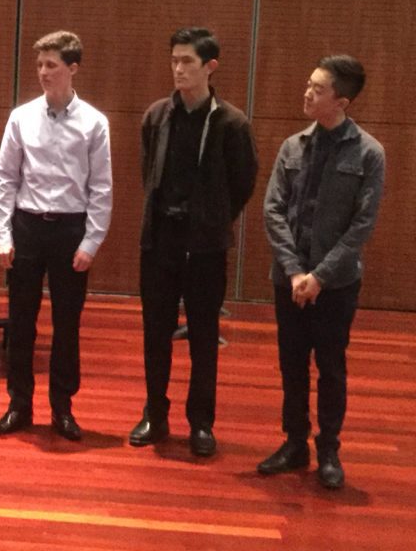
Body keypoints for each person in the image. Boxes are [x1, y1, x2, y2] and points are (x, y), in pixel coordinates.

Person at [129, 27, 258, 457]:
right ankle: (155, 413)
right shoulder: (156, 116)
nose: (178, 69)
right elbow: (148, 175)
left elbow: (242, 183)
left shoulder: (231, 123)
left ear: (210, 67)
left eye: (187, 61)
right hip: (160, 240)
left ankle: (201, 422)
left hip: (205, 245)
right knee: (155, 332)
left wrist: (211, 218)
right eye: (175, 61)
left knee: (204, 336)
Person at [258, 55, 385, 489]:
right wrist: (295, 272)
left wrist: (320, 277)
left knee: (330, 366)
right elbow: (273, 210)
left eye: (318, 88)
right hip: (289, 280)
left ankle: (328, 449)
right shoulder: (292, 146)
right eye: (309, 84)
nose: (307, 93)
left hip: (336, 285)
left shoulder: (369, 153)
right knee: (291, 364)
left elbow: (362, 226)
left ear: (342, 101)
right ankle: (294, 442)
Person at [0, 30, 113, 441]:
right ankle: (18, 405)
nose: (43, 72)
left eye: (51, 65)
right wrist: (4, 234)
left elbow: (101, 187)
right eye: (39, 65)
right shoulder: (21, 117)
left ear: (72, 68)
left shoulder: (94, 122)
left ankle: (62, 407)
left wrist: (91, 242)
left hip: (70, 229)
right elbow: (6, 179)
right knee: (20, 321)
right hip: (27, 226)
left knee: (67, 324)